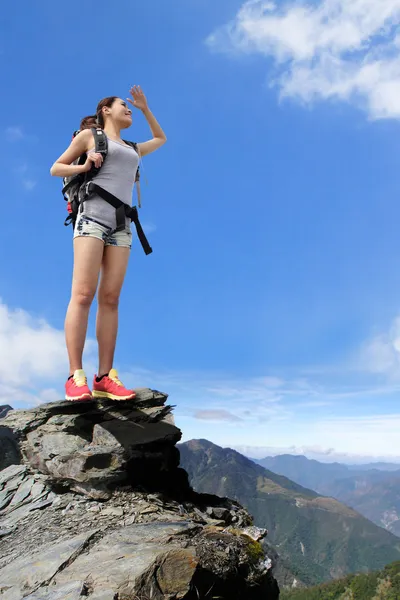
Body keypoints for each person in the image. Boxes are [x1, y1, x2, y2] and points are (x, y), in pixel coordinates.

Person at [50, 86, 166, 401]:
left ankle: (104, 377)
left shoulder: (131, 147)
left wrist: (145, 108)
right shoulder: (90, 137)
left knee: (111, 299)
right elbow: (56, 168)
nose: (128, 109)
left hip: (122, 226)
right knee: (84, 294)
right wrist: (84, 166)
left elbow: (160, 139)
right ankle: (75, 376)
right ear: (106, 110)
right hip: (91, 218)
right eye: (123, 105)